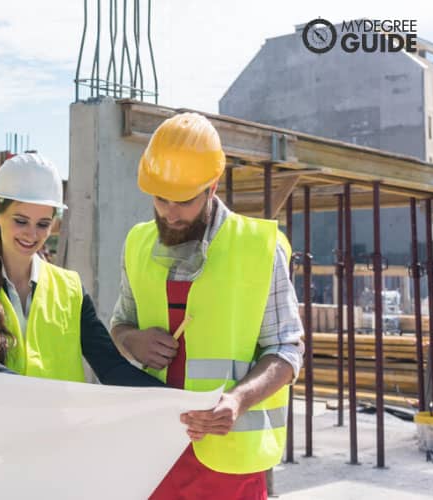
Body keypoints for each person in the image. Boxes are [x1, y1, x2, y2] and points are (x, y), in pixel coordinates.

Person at [109, 112, 305, 499]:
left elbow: (287, 350)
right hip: (154, 453)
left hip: (229, 463)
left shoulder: (259, 247)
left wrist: (237, 400)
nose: (169, 212)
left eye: (182, 201)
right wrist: (134, 340)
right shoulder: (137, 243)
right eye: (160, 199)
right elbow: (120, 324)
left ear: (212, 187)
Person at [0, 153, 163, 388]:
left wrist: (177, 399)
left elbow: (111, 366)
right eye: (21, 221)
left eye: (43, 224)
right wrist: (41, 395)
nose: (32, 234)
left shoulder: (71, 290)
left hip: (57, 425)